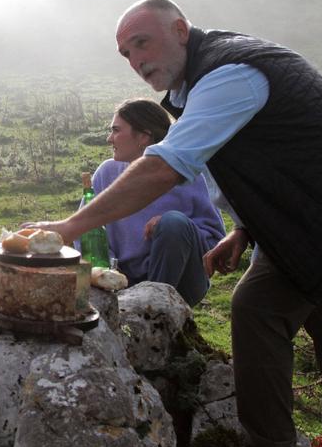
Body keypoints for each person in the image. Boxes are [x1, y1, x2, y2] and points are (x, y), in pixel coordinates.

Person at [28, 0, 322, 447]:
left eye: (142, 42)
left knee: (257, 307)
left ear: (181, 29)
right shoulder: (211, 76)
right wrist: (245, 230)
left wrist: (68, 228)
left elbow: (166, 167)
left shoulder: (231, 73)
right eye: (125, 53)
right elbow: (272, 156)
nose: (137, 61)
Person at [87, 97, 224, 305]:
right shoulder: (106, 173)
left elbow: (215, 240)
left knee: (173, 222)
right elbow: (87, 232)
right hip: (124, 280)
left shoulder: (187, 176)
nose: (109, 138)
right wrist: (111, 268)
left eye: (116, 130)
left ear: (143, 136)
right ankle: (137, 306)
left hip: (182, 283)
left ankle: (150, 308)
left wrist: (173, 228)